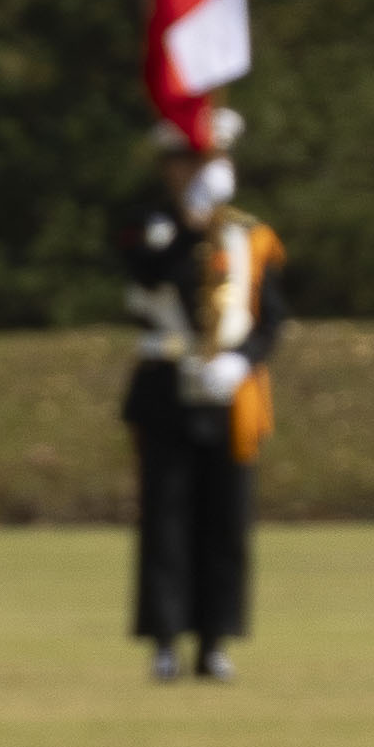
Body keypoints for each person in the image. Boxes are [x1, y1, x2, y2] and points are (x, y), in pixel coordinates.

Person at [122, 112, 288, 683]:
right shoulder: (150, 225)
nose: (199, 171)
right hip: (168, 386)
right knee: (166, 519)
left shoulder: (250, 235)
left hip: (230, 393)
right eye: (188, 160)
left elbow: (271, 317)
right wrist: (193, 225)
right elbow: (146, 276)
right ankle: (166, 640)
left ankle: (216, 640)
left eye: (211, 160)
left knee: (227, 520)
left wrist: (241, 361)